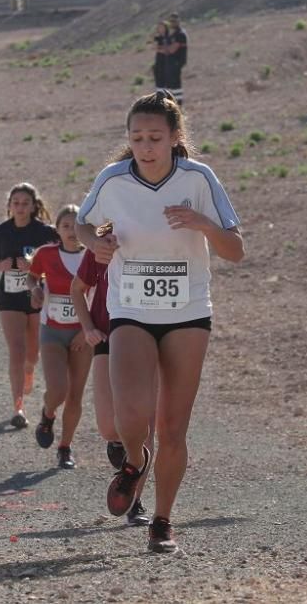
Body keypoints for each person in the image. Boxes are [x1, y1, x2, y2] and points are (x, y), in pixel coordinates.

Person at [76, 90, 244, 553]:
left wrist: (201, 224)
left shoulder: (198, 178)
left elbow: (236, 249)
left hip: (188, 312)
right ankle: (134, 461)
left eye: (154, 137)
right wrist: (96, 244)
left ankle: (163, 521)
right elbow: (83, 226)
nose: (145, 147)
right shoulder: (113, 179)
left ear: (174, 137)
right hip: (129, 307)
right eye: (136, 138)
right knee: (131, 416)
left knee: (173, 428)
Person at [70, 223, 153, 525]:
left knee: (146, 426)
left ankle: (135, 503)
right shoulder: (103, 245)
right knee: (109, 427)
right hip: (107, 336)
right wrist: (88, 327)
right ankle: (121, 445)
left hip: (149, 338)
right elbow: (77, 289)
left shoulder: (157, 244)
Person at [27, 205, 93, 469]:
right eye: (65, 226)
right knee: (58, 388)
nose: (71, 231)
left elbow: (99, 297)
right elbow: (32, 277)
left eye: (76, 226)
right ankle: (48, 414)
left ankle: (65, 448)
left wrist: (85, 331)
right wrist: (34, 290)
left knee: (75, 394)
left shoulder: (94, 256)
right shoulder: (46, 254)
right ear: (57, 230)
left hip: (82, 334)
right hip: (53, 330)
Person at [0, 182, 58, 429]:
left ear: (33, 206)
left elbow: (60, 257)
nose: (20, 207)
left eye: (25, 203)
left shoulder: (45, 232)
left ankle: (30, 369)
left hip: (38, 296)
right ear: (9, 206)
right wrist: (1, 265)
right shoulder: (2, 231)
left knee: (32, 354)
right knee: (16, 351)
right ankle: (18, 407)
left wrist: (36, 268)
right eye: (15, 203)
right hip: (10, 297)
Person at [164, 13, 187, 105]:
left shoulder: (180, 34)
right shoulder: (172, 34)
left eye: (174, 21)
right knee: (170, 85)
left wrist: (166, 47)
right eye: (171, 21)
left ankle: (178, 105)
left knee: (176, 85)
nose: (172, 23)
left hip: (176, 62)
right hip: (170, 62)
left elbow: (172, 49)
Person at [152, 20, 170, 94]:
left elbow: (167, 50)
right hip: (159, 60)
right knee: (158, 79)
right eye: (159, 27)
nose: (160, 29)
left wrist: (160, 48)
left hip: (167, 61)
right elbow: (153, 46)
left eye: (162, 27)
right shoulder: (158, 38)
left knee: (166, 80)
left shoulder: (168, 37)